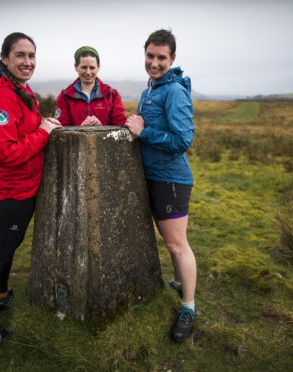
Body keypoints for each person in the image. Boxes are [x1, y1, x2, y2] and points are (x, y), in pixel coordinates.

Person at [0, 32, 61, 343]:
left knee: (10, 245)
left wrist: (42, 125)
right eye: (20, 55)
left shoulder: (20, 90)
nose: (27, 62)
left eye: (31, 56)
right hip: (14, 191)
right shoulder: (1, 97)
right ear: (5, 59)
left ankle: (0, 292)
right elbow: (7, 153)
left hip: (26, 185)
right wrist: (44, 133)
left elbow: (25, 129)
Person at [125, 29, 197, 342]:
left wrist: (143, 133)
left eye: (161, 58)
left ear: (173, 59)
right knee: (170, 242)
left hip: (172, 179)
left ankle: (189, 308)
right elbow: (146, 126)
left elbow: (183, 140)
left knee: (177, 244)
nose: (154, 63)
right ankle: (182, 284)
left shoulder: (174, 91)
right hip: (152, 175)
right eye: (150, 56)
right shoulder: (150, 89)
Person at [54, 46, 127, 127]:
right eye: (84, 67)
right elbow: (61, 128)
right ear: (76, 67)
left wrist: (101, 130)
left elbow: (121, 125)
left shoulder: (112, 95)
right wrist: (80, 131)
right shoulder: (64, 97)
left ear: (98, 67)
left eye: (92, 68)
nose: (88, 72)